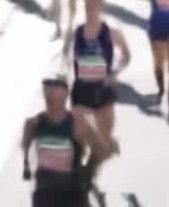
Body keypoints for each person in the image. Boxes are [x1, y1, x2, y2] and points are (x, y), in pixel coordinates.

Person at [66, 0, 131, 187]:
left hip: (103, 90)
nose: (90, 11)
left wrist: (115, 73)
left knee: (102, 141)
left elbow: (127, 55)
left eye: (93, 7)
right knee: (79, 135)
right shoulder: (77, 32)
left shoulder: (111, 34)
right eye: (87, 7)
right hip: (82, 90)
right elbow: (67, 57)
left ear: (100, 9)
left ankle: (90, 175)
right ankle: (78, 167)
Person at [21, 73, 115, 207]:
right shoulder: (77, 123)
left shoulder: (32, 124)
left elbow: (28, 161)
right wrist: (89, 168)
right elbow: (101, 152)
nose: (49, 93)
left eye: (52, 88)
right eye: (48, 88)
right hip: (69, 193)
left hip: (44, 194)